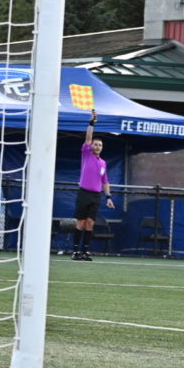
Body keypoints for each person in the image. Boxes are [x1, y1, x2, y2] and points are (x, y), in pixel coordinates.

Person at [73, 112, 115, 261]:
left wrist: (108, 197)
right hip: (84, 193)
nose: (97, 146)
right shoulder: (87, 154)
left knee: (90, 223)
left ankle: (85, 251)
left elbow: (105, 181)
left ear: (102, 148)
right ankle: (75, 252)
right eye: (96, 144)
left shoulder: (103, 163)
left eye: (100, 145)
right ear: (91, 146)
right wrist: (92, 122)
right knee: (81, 223)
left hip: (96, 196)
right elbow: (88, 138)